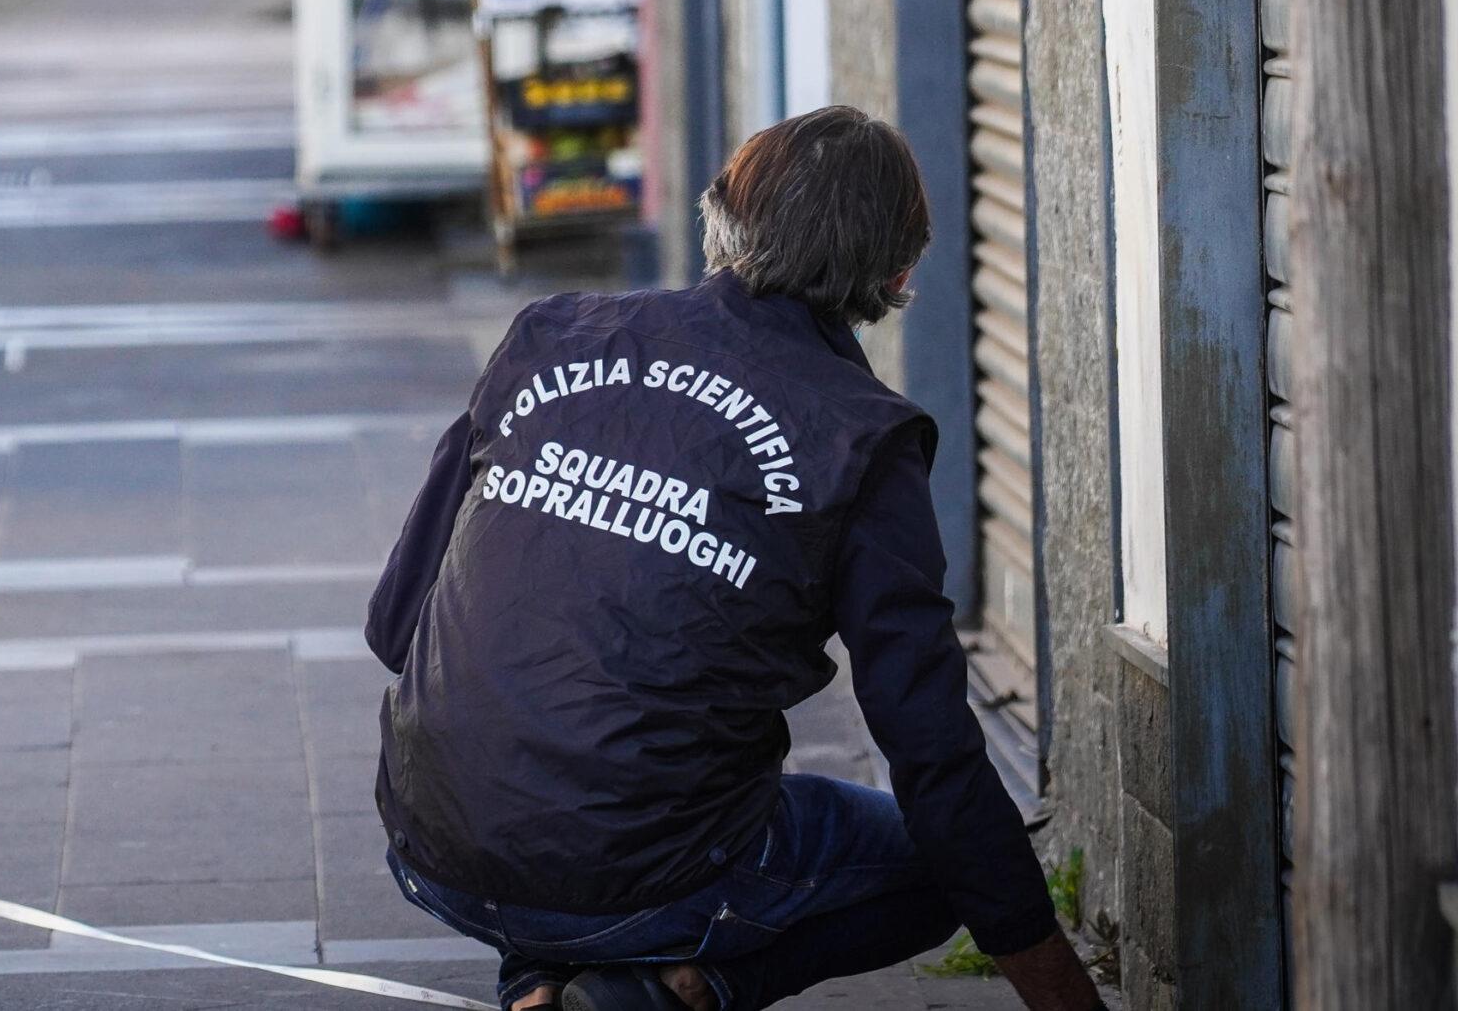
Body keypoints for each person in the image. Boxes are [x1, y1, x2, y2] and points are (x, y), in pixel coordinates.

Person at [368, 107, 1105, 1011]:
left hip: (430, 840)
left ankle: (543, 982)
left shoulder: (550, 333)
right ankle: (679, 990)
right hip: (632, 868)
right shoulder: (859, 438)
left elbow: (395, 622)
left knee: (581, 803)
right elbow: (933, 753)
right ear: (901, 271)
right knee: (934, 865)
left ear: (721, 215)